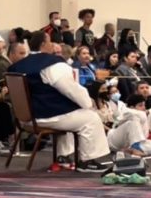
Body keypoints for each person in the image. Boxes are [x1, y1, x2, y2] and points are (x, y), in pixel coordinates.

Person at [10, 31, 110, 172]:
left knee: (72, 115)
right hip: (47, 115)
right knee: (90, 118)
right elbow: (71, 89)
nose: (53, 45)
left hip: (25, 118)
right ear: (44, 44)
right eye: (50, 42)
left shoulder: (18, 66)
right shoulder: (51, 65)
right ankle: (87, 161)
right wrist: (88, 103)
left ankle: (63, 156)